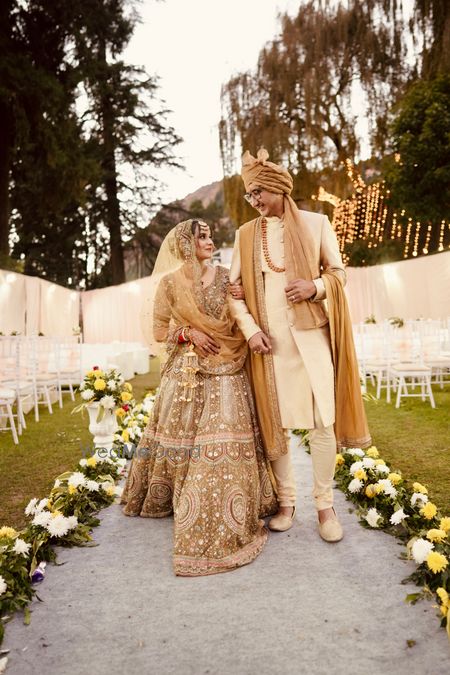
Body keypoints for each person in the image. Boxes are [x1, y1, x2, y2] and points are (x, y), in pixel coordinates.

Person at [228, 148, 371, 542]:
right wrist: (250, 329)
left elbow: (339, 274)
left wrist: (315, 287)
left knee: (323, 423)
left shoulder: (316, 223)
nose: (254, 202)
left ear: (278, 189)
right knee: (277, 426)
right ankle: (286, 502)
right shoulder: (244, 236)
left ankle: (325, 506)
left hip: (312, 341)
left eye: (259, 193)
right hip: (269, 345)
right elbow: (232, 292)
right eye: (249, 196)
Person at [121, 219, 277, 576]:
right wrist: (188, 333)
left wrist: (243, 296)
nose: (209, 240)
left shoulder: (225, 277)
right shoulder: (170, 284)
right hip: (188, 370)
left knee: (219, 442)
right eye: (201, 236)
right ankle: (178, 495)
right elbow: (159, 331)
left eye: (209, 235)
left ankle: (220, 503)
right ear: (186, 245)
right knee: (183, 435)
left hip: (228, 365)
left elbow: (244, 311)